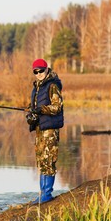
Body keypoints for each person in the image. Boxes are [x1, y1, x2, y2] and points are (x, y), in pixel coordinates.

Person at [26, 58, 64, 204]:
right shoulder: (36, 87)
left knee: (49, 160)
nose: (39, 73)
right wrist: (31, 114)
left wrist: (41, 109)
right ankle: (42, 194)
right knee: (41, 161)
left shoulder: (52, 85)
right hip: (40, 129)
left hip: (50, 130)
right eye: (36, 71)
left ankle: (47, 194)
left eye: (41, 70)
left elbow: (57, 107)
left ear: (46, 69)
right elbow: (33, 107)